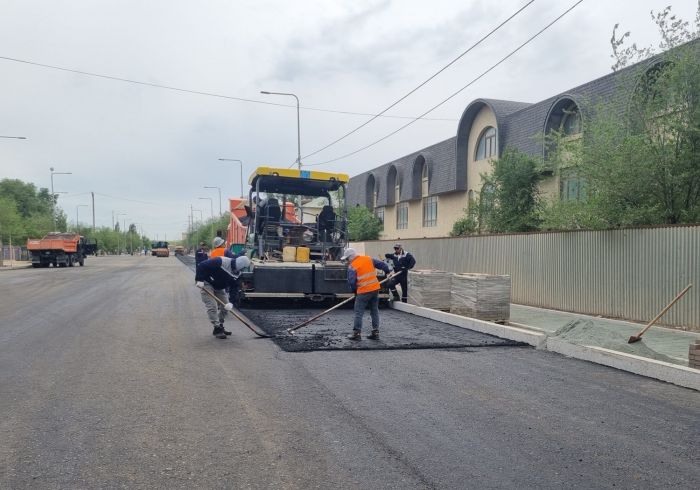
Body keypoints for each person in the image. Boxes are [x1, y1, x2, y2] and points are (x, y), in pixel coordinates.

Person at [195, 254, 251, 339]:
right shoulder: (221, 261)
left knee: (226, 306)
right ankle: (217, 328)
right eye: (243, 268)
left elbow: (234, 288)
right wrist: (199, 279)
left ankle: (220, 325)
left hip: (219, 287)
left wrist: (231, 303)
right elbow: (201, 265)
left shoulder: (237, 273)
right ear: (240, 264)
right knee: (212, 306)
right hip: (207, 283)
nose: (242, 270)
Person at [341, 247, 391, 341]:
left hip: (363, 291)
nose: (347, 261)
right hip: (375, 289)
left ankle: (357, 333)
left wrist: (355, 291)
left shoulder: (352, 266)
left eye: (347, 259)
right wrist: (388, 272)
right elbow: (382, 265)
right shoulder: (368, 259)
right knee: (374, 310)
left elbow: (352, 282)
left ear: (351, 257)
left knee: (358, 312)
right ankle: (375, 332)